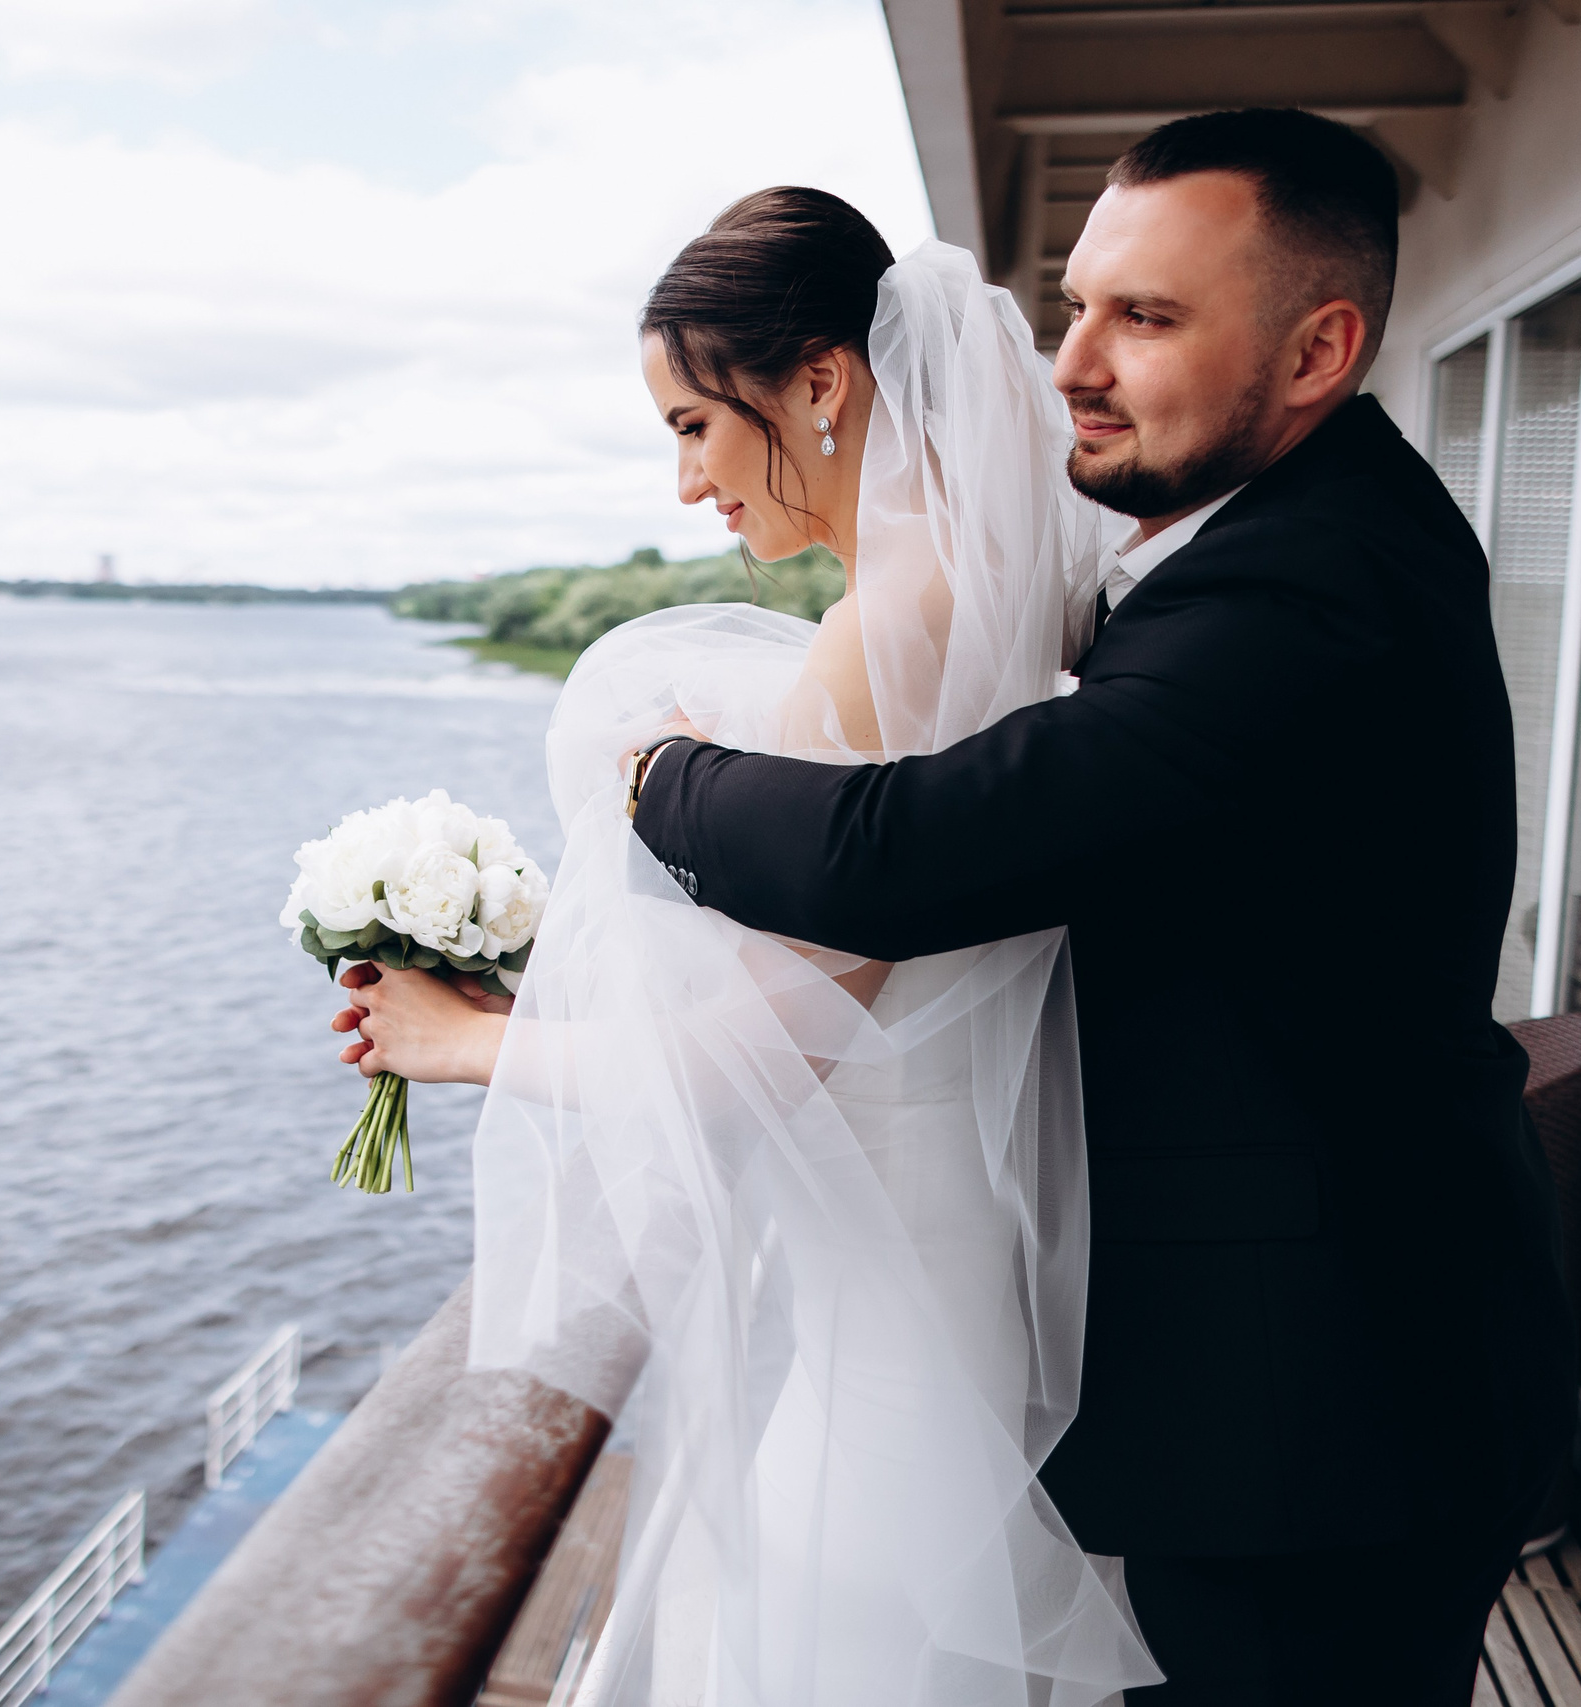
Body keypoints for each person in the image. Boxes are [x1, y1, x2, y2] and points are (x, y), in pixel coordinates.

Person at [622, 111, 1578, 1704]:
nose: (1071, 362)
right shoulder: (1251, 539)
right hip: (1291, 1379)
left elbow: (904, 854)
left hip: (1331, 1421)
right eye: (1076, 305)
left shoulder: (1310, 585)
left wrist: (655, 769)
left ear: (1317, 349)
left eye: (1145, 318)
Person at [336, 187, 1159, 1706]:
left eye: (695, 425)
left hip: (891, 1316)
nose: (685, 482)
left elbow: (771, 1045)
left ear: (822, 384)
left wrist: (467, 1043)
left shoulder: (889, 627)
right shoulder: (982, 595)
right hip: (932, 1265)